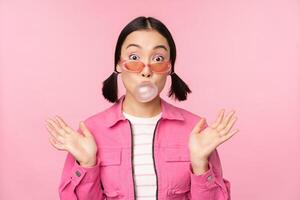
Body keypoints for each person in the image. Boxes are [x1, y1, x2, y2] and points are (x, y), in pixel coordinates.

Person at [45, 16, 238, 200]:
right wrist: (87, 165)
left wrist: (200, 165)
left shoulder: (196, 130)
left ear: (169, 67)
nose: (146, 70)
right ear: (119, 64)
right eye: (134, 57)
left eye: (158, 59)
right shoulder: (91, 131)